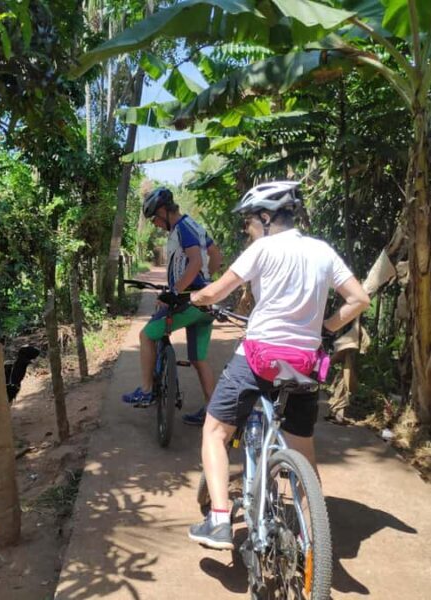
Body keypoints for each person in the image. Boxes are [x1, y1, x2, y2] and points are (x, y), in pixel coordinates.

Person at [186, 181, 370, 550]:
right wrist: (325, 328)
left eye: (251, 222)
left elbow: (213, 292)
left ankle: (220, 520)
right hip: (304, 362)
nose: (248, 229)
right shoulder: (322, 250)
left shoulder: (263, 248)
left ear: (267, 218)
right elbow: (359, 299)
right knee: (304, 449)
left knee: (214, 432)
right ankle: (312, 535)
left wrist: (195, 297)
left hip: (259, 359)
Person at [121, 187, 223, 421]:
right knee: (198, 358)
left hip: (187, 301)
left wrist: (176, 290)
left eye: (155, 218)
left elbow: (196, 261)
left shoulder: (182, 229)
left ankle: (146, 392)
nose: (155, 224)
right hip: (204, 304)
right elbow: (215, 257)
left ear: (165, 211)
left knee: (147, 336)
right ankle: (213, 412)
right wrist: (206, 284)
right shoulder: (194, 226)